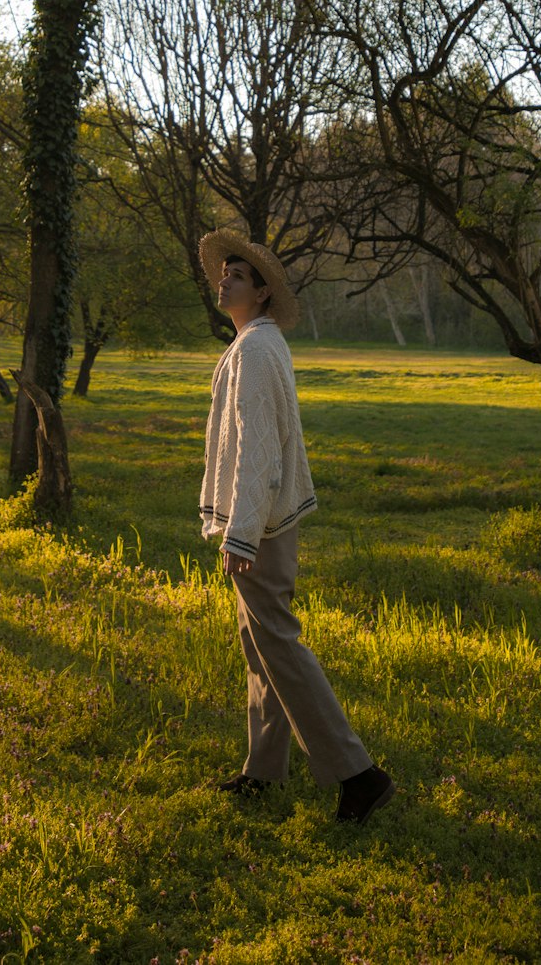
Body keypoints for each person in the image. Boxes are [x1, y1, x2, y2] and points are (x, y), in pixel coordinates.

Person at [197, 229, 395, 825]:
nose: (224, 280)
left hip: (261, 525)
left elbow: (259, 447)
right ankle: (263, 770)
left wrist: (242, 533)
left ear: (261, 292)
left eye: (238, 275)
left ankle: (360, 775)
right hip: (261, 518)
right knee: (260, 646)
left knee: (278, 645)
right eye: (224, 273)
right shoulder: (255, 342)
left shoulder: (257, 350)